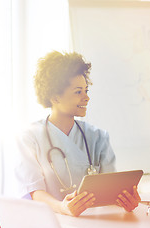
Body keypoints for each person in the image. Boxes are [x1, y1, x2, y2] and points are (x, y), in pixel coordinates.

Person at [14, 51, 140, 217]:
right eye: (78, 92)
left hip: (94, 224)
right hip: (52, 224)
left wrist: (125, 201)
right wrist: (62, 207)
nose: (86, 98)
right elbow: (34, 192)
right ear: (55, 97)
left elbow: (111, 188)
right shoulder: (30, 137)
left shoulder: (98, 137)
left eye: (86, 91)